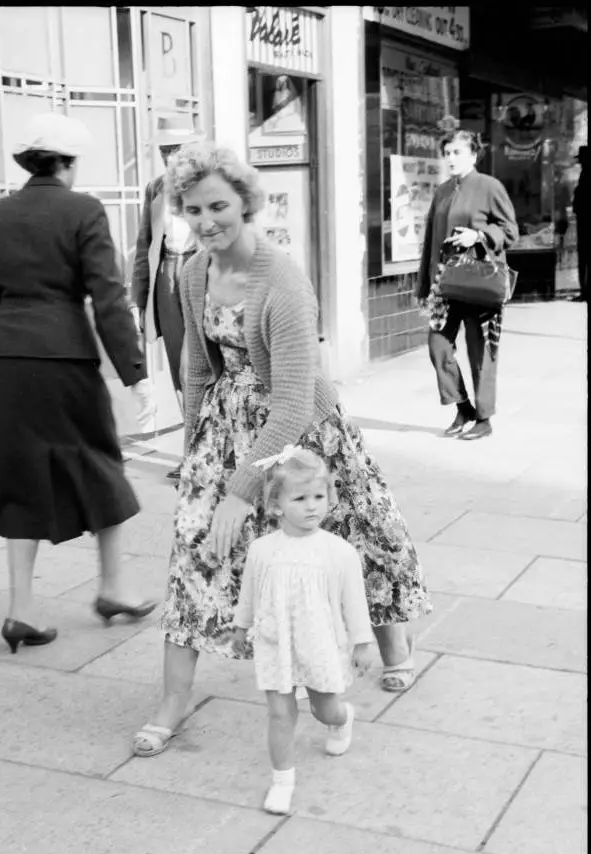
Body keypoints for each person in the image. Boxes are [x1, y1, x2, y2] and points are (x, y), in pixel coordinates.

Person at [132, 142, 431, 758]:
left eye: (218, 206)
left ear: (245, 202)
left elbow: (293, 401)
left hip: (299, 429)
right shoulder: (194, 272)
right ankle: (172, 701)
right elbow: (196, 366)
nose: (206, 221)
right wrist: (197, 457)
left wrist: (241, 494)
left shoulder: (285, 281)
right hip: (224, 430)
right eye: (192, 210)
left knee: (353, 534)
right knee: (195, 554)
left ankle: (393, 640)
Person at [0, 112, 158, 654]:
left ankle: (21, 609)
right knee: (99, 461)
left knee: (19, 473)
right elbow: (108, 297)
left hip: (6, 359)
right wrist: (135, 374)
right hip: (64, 358)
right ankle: (113, 587)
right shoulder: (83, 210)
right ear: (68, 163)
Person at [232, 446, 374, 815]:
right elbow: (250, 591)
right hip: (275, 642)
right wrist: (240, 626)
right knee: (281, 713)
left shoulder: (339, 552)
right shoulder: (262, 550)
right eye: (300, 498)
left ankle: (342, 718)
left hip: (321, 643)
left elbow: (354, 602)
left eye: (319, 496)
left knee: (323, 708)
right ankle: (282, 781)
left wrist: (362, 641)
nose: (312, 506)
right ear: (276, 505)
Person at [418, 127, 518, 441]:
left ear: (473, 155)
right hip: (445, 285)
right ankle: (463, 407)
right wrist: (424, 286)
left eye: (457, 152)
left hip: (479, 283)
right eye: (447, 153)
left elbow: (510, 230)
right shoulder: (443, 191)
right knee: (438, 346)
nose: (451, 158)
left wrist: (479, 236)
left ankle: (484, 418)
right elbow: (430, 242)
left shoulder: (489, 187)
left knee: (481, 351)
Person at [131, 113, 205, 482]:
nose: (169, 156)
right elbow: (145, 244)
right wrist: (137, 299)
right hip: (166, 279)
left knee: (196, 367)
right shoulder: (156, 188)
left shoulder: (209, 185)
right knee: (179, 369)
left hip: (200, 274)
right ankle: (193, 454)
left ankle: (206, 452)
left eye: (175, 149)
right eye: (164, 149)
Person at [572, 146, 588, 302]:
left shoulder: (585, 176)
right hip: (583, 220)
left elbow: (580, 199)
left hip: (584, 222)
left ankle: (585, 291)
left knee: (583, 257)